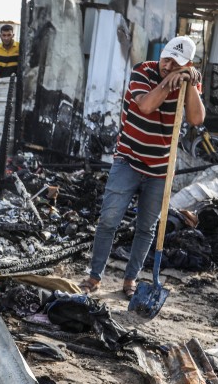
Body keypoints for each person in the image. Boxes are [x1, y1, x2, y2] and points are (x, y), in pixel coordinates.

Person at [80, 36, 205, 298]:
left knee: (147, 227)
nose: (167, 66)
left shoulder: (188, 81)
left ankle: (130, 280)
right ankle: (94, 277)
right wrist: (168, 82)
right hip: (128, 159)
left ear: (187, 64)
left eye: (176, 64)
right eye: (166, 59)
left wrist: (190, 82)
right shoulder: (143, 71)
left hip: (160, 168)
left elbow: (196, 118)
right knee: (109, 219)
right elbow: (146, 105)